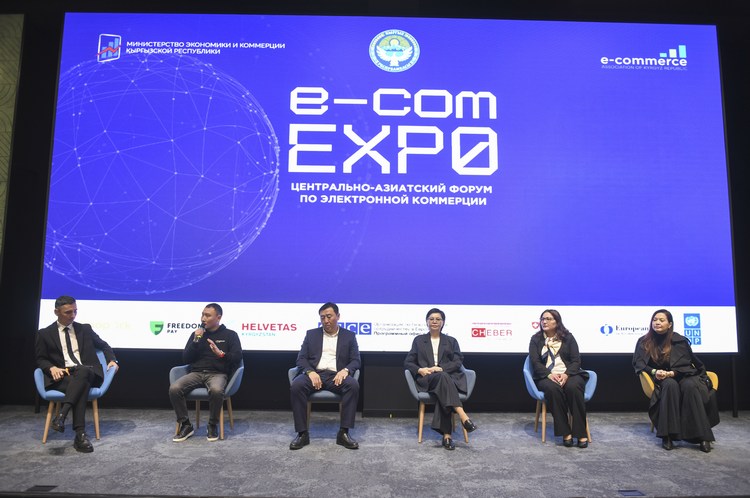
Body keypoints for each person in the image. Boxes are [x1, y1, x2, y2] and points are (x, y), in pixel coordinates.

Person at [35, 295, 119, 453]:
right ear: (56, 312)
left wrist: (113, 360)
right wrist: (51, 368)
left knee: (83, 370)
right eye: (68, 312)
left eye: (75, 311)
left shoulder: (84, 329)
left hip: (87, 372)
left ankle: (62, 414)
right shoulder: (44, 333)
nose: (73, 315)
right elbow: (40, 359)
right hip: (63, 376)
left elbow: (104, 346)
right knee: (81, 386)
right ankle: (80, 435)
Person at [632, 309, 719, 452]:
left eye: (661, 320)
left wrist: (674, 372)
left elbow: (689, 364)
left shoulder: (679, 341)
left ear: (670, 324)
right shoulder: (644, 341)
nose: (657, 322)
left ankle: (702, 437)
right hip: (661, 379)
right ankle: (668, 435)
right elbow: (639, 364)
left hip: (682, 375)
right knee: (670, 385)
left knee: (690, 386)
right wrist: (655, 372)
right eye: (655, 320)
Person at [289, 302, 361, 450]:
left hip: (336, 375)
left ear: (338, 316)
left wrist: (345, 370)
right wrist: (310, 372)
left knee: (353, 385)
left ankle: (344, 432)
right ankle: (302, 433)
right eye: (322, 317)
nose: (326, 321)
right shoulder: (311, 335)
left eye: (329, 316)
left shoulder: (349, 336)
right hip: (315, 374)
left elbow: (356, 360)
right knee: (297, 385)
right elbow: (301, 359)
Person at [404, 308, 477, 450]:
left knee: (443, 385)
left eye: (438, 319)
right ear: (427, 322)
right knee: (443, 382)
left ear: (443, 322)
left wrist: (441, 369)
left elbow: (458, 361)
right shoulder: (419, 340)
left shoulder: (451, 341)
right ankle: (463, 416)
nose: (434, 321)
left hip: (447, 377)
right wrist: (421, 370)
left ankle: (447, 436)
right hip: (427, 379)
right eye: (431, 319)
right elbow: (408, 362)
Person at [169, 303, 242, 442]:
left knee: (216, 390)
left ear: (218, 317)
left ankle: (212, 425)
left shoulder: (230, 335)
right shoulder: (196, 334)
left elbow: (237, 358)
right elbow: (186, 359)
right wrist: (196, 341)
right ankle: (186, 425)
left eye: (207, 315)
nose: (203, 318)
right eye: (202, 315)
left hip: (217, 373)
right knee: (174, 389)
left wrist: (221, 354)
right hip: (196, 373)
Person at [528, 309, 589, 448]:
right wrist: (549, 374)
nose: (544, 321)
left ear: (557, 322)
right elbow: (535, 362)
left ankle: (581, 433)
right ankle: (565, 433)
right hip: (546, 376)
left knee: (574, 387)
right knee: (553, 389)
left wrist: (566, 374)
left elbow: (576, 360)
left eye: (548, 319)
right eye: (542, 319)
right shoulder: (536, 339)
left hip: (569, 374)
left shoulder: (568, 338)